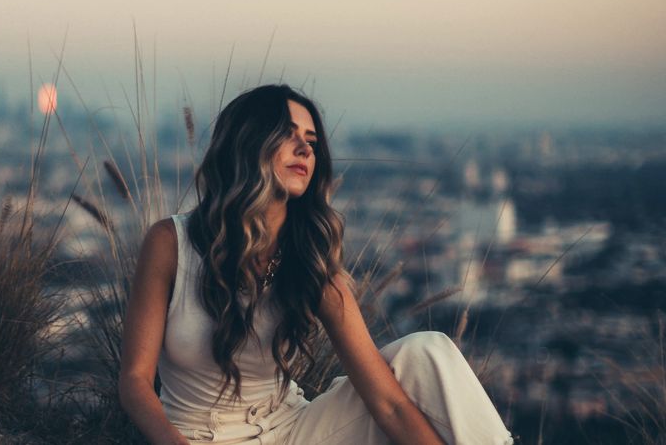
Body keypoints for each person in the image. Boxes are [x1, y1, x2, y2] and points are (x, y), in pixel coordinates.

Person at [118, 84, 515, 444]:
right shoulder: (171, 243)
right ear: (248, 143)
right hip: (196, 437)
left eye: (310, 141)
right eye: (288, 136)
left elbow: (387, 403)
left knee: (427, 351)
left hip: (295, 432)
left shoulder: (309, 260)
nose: (306, 150)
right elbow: (135, 380)